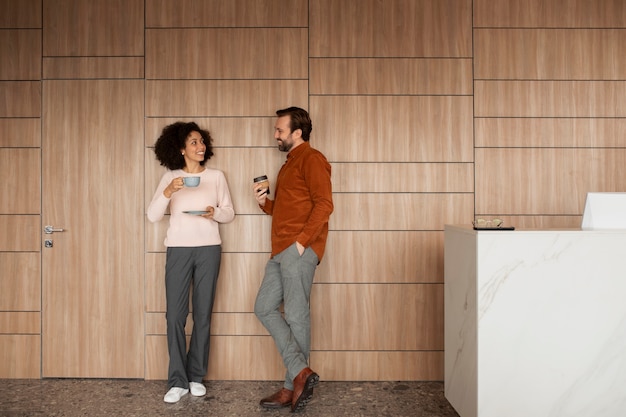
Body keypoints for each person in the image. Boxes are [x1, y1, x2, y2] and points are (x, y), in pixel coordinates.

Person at [252, 107, 333, 412]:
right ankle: (301, 373)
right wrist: (265, 204)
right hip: (281, 250)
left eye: (280, 130)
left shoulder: (313, 159)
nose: (275, 134)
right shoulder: (289, 164)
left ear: (297, 132)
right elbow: (289, 209)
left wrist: (301, 244)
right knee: (263, 307)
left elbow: (325, 204)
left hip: (298, 249)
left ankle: (291, 388)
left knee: (297, 315)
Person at [147, 121, 235, 404]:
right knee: (175, 315)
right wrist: (169, 191)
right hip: (178, 250)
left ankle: (196, 376)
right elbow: (152, 216)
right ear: (181, 149)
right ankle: (177, 380)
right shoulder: (170, 178)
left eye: (202, 141)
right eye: (194, 142)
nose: (200, 146)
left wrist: (214, 213)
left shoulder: (217, 176)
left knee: (202, 314)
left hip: (209, 248)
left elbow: (229, 213)